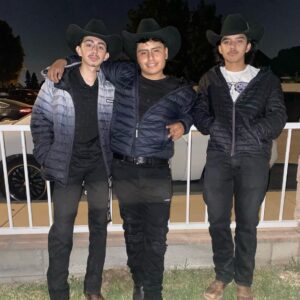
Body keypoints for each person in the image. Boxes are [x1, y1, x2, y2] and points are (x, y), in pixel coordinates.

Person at [47, 18, 197, 300]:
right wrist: (62, 59)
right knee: (133, 233)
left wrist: (184, 122)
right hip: (123, 170)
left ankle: (153, 292)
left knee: (156, 239)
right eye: (143, 51)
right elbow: (91, 58)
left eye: (156, 50)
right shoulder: (124, 74)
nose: (150, 57)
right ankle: (138, 285)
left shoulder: (181, 90)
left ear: (166, 54)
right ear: (136, 56)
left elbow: (200, 110)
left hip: (156, 173)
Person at [192, 14, 286, 300]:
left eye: (239, 41)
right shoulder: (210, 78)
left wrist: (254, 134)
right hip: (219, 157)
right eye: (226, 42)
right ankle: (223, 275)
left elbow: (278, 115)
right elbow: (199, 111)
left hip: (253, 159)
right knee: (217, 219)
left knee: (247, 221)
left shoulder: (266, 80)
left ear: (248, 46)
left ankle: (244, 280)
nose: (232, 47)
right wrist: (215, 128)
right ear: (220, 48)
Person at [30, 19, 122, 300]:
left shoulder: (111, 86)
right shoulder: (57, 82)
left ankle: (92, 288)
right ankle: (59, 292)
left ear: (106, 55)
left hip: (98, 166)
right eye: (89, 44)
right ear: (79, 50)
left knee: (99, 227)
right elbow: (39, 120)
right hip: (66, 166)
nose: (94, 50)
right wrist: (46, 155)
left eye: (100, 46)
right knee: (62, 229)